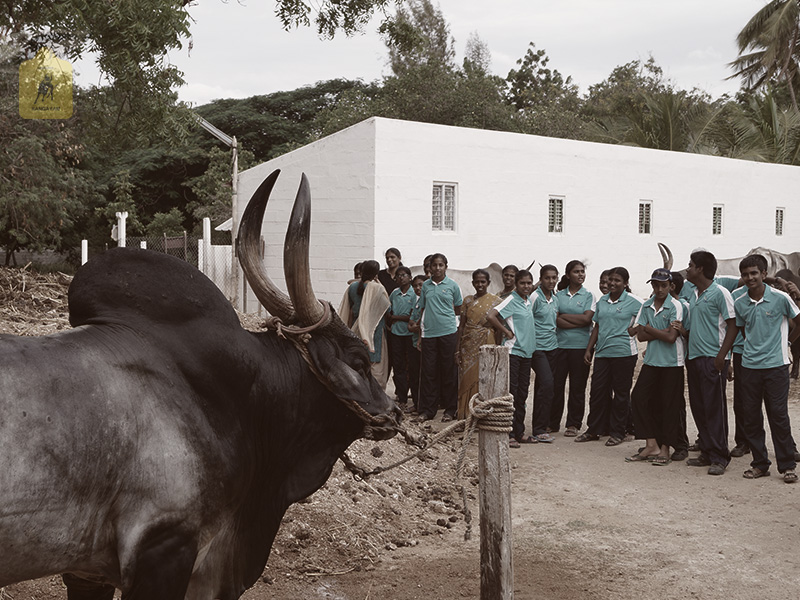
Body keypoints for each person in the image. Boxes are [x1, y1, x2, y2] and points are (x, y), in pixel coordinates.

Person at [734, 254, 800, 483]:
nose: (750, 277)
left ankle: (788, 465)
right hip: (750, 367)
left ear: (764, 274)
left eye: (754, 273)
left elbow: (798, 321)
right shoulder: (740, 302)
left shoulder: (781, 298)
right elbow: (743, 331)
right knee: (751, 417)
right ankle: (760, 464)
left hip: (777, 367)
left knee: (778, 416)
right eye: (745, 274)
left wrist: (787, 342)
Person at [684, 250, 737, 476]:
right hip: (694, 358)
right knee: (699, 406)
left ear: (701, 269)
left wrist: (722, 357)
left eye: (690, 265)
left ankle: (719, 456)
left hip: (713, 360)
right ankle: (706, 450)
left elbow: (733, 326)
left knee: (714, 408)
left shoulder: (720, 293)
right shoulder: (694, 294)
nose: (687, 268)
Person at [576, 267, 642, 446]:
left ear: (626, 283)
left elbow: (648, 316)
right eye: (610, 280)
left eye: (617, 280)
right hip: (603, 353)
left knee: (621, 394)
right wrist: (589, 349)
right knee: (598, 392)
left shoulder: (634, 301)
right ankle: (594, 430)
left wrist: (635, 330)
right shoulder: (603, 301)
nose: (612, 283)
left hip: (624, 354)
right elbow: (597, 326)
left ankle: (618, 432)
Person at [626, 268, 686, 465]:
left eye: (663, 285)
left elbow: (671, 338)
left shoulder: (676, 306)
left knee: (669, 405)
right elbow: (640, 336)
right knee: (638, 398)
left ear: (671, 286)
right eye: (656, 285)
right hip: (652, 360)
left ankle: (665, 449)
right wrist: (660, 330)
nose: (659, 289)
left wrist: (650, 328)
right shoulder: (647, 305)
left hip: (672, 362)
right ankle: (651, 444)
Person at [411, 253, 463, 423]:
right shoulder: (425, 286)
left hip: (448, 333)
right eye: (434, 265)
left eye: (441, 265)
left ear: (446, 267)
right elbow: (423, 310)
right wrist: (420, 337)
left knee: (448, 372)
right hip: (429, 335)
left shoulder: (453, 286)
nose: (438, 268)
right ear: (430, 268)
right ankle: (427, 410)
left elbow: (457, 309)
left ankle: (450, 409)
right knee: (428, 373)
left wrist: (450, 326)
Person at [488, 269, 537, 447]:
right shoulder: (511, 300)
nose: (526, 286)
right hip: (513, 352)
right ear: (516, 284)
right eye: (522, 283)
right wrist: (506, 331)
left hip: (526, 353)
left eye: (529, 283)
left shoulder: (527, 301)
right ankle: (509, 434)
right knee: (513, 394)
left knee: (523, 394)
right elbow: (491, 315)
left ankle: (520, 432)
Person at [550, 260, 596, 436]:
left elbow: (587, 320)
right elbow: (555, 320)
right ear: (568, 275)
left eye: (582, 271)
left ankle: (573, 424)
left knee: (578, 387)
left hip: (581, 347)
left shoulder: (589, 296)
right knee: (557, 385)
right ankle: (553, 423)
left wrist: (563, 318)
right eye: (576, 272)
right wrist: (575, 320)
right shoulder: (558, 296)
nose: (581, 275)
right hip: (559, 346)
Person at [456, 269, 501, 419]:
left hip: (487, 343)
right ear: (473, 283)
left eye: (483, 282)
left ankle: (482, 415)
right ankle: (466, 415)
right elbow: (461, 326)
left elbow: (499, 327)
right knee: (466, 378)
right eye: (477, 281)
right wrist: (457, 350)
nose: (480, 284)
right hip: (467, 345)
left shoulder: (496, 301)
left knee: (484, 377)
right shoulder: (467, 301)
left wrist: (499, 348)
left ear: (488, 283)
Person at [338, 259, 391, 387]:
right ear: (376, 273)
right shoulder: (377, 288)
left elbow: (348, 310)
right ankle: (376, 396)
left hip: (356, 330)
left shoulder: (353, 287)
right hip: (375, 331)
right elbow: (387, 308)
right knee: (376, 367)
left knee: (358, 362)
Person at [529, 265, 559, 443]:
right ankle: (539, 429)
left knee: (544, 386)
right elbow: (525, 319)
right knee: (547, 384)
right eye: (547, 278)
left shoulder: (555, 299)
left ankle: (541, 426)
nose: (551, 281)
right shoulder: (534, 297)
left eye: (554, 278)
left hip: (552, 347)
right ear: (541, 279)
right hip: (537, 348)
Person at [387, 266, 417, 409]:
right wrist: (394, 319)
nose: (400, 278)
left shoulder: (414, 294)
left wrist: (396, 317)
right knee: (398, 366)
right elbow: (388, 311)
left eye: (403, 275)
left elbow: (411, 317)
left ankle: (415, 399)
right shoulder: (394, 293)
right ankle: (402, 398)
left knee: (411, 366)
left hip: (410, 335)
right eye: (398, 276)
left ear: (410, 277)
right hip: (396, 334)